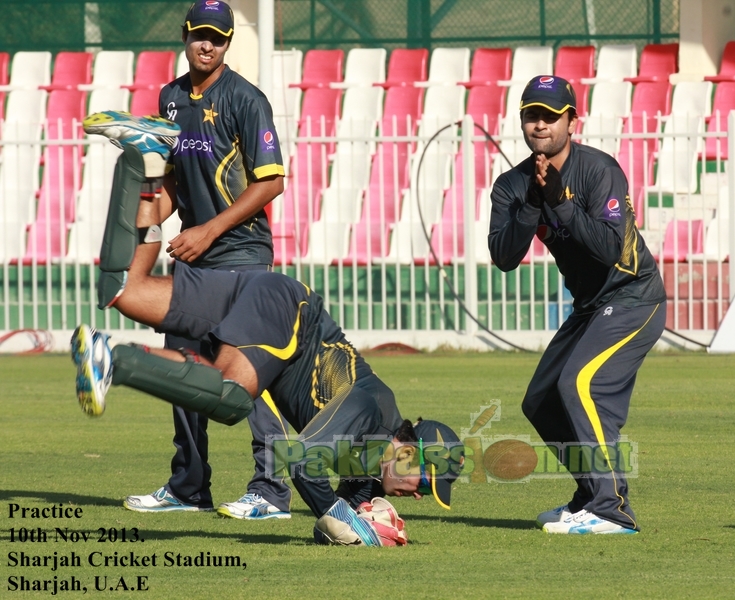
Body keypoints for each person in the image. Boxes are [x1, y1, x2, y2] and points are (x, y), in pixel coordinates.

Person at [70, 129, 464, 546]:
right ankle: (113, 357)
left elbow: (346, 499)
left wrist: (366, 517)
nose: (420, 493)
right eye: (425, 479)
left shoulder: (371, 456)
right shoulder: (370, 412)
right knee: (230, 396)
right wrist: (351, 524)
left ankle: (146, 170)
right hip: (285, 313)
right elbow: (301, 462)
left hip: (267, 300)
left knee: (124, 292)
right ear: (407, 451)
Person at [120, 0, 291, 520]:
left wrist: (208, 229)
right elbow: (172, 181)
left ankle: (270, 492)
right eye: (200, 34)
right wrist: (147, 219)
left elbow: (272, 181)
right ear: (186, 34)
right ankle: (189, 487)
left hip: (242, 257)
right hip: (193, 259)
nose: (207, 44)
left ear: (228, 41)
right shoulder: (170, 97)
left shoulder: (246, 98)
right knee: (185, 374)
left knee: (250, 375)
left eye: (217, 37)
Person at [487, 76, 667, 535]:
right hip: (590, 305)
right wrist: (533, 203)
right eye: (532, 115)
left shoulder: (599, 169)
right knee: (541, 401)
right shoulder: (511, 185)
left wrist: (561, 203)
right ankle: (590, 495)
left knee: (579, 384)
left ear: (572, 119)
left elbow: (609, 250)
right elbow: (505, 257)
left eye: (551, 115)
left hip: (632, 295)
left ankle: (611, 509)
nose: (541, 124)